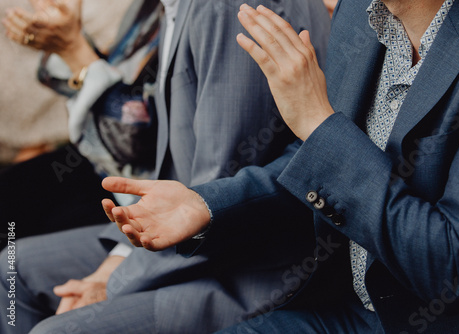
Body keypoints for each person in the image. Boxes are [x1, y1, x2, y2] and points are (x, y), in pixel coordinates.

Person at [100, 0, 459, 333]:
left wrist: (318, 124)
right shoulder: (359, 11)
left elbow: (458, 265)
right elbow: (315, 159)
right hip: (343, 305)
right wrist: (205, 206)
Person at [0, 0, 331, 333]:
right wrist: (113, 265)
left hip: (246, 269)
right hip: (168, 218)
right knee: (12, 265)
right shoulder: (172, 7)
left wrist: (110, 281)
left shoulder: (220, 8)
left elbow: (212, 196)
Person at [0, 0, 162, 241]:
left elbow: (134, 144)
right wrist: (66, 41)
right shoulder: (150, 9)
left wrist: (72, 47)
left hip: (141, 184)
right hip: (96, 154)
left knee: (16, 250)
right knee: (12, 194)